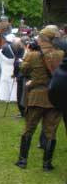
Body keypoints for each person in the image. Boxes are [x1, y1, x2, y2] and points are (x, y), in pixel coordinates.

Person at [16, 26, 64, 171]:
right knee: (51, 132)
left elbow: (23, 70)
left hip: (36, 97)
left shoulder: (33, 55)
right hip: (54, 99)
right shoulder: (62, 54)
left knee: (28, 129)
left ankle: (23, 161)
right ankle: (47, 164)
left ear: (43, 39)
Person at [0, 35, 19, 103]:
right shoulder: (14, 47)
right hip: (12, 67)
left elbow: (0, 60)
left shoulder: (3, 48)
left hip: (4, 67)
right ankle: (13, 97)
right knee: (13, 82)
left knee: (4, 82)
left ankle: (4, 97)